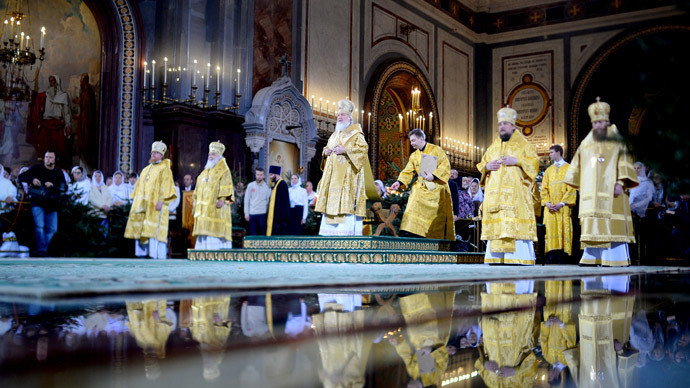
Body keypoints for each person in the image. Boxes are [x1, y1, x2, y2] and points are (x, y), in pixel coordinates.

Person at [564, 97, 638, 266]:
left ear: (607, 121)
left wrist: (620, 182)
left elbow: (624, 162)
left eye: (601, 122)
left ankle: (614, 258)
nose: (598, 125)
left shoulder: (617, 140)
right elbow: (577, 166)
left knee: (611, 224)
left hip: (612, 191)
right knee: (592, 224)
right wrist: (579, 186)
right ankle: (591, 256)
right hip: (590, 194)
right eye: (595, 123)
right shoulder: (586, 143)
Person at [477, 106, 539, 265]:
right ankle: (496, 259)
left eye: (505, 124)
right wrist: (486, 167)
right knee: (497, 231)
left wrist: (517, 161)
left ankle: (518, 259)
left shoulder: (524, 145)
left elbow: (534, 165)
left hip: (515, 199)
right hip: (495, 200)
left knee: (514, 231)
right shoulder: (493, 147)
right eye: (500, 124)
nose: (502, 127)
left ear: (513, 126)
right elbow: (482, 164)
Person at [315, 98, 378, 236]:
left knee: (345, 204)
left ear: (349, 117)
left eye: (342, 115)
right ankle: (329, 233)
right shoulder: (334, 135)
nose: (339, 117)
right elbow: (328, 147)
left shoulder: (356, 134)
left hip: (348, 179)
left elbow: (363, 150)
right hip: (332, 180)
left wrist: (346, 150)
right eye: (338, 115)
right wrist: (325, 152)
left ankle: (345, 233)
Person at [390, 128, 455, 239]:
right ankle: (411, 230)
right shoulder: (414, 155)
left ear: (421, 139)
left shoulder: (436, 150)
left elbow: (445, 166)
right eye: (411, 141)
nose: (412, 143)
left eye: (413, 140)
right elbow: (408, 171)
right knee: (413, 200)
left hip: (435, 186)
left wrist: (433, 175)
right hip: (420, 186)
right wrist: (399, 182)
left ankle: (428, 233)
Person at [124, 141, 177, 259]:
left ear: (162, 155)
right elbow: (139, 187)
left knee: (156, 230)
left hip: (157, 204)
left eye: (157, 153)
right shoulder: (145, 169)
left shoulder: (165, 169)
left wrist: (161, 200)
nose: (153, 154)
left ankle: (158, 255)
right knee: (143, 228)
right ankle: (142, 254)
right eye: (153, 152)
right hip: (143, 205)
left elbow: (166, 186)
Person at [18, 150, 67, 256]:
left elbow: (64, 188)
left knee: (52, 229)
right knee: (39, 226)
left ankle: (45, 249)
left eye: (50, 157)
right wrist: (32, 180)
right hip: (38, 202)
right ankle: (42, 251)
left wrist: (53, 185)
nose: (48, 159)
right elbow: (21, 177)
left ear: (55, 159)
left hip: (52, 204)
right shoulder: (37, 168)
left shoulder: (58, 172)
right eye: (46, 157)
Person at [192, 141, 234, 249]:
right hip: (203, 209)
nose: (210, 156)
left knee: (214, 233)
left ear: (219, 156)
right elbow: (198, 187)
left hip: (217, 206)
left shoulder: (224, 170)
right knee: (204, 231)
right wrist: (195, 199)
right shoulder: (206, 171)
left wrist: (222, 199)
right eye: (209, 154)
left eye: (213, 154)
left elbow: (227, 185)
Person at [541, 145, 577, 264]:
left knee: (563, 229)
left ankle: (563, 255)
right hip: (550, 207)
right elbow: (544, 189)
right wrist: (547, 203)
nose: (549, 155)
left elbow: (571, 188)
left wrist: (562, 203)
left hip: (563, 207)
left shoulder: (569, 168)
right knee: (551, 230)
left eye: (551, 152)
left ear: (558, 152)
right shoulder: (548, 170)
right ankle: (551, 255)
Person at [27, 75, 72, 164]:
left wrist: (68, 125)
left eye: (53, 81)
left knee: (60, 149)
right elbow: (35, 100)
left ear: (57, 82)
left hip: (58, 125)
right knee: (44, 148)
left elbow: (67, 113)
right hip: (46, 125)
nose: (52, 83)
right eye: (50, 81)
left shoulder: (63, 96)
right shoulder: (44, 95)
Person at [71, 73, 98, 168]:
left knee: (85, 138)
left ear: (84, 80)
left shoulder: (87, 89)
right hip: (84, 117)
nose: (80, 82)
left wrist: (78, 102)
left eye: (81, 80)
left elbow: (86, 105)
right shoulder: (85, 89)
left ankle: (85, 157)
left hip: (86, 119)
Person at [244, 168, 272, 235]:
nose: (259, 176)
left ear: (264, 176)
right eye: (258, 174)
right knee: (252, 234)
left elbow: (268, 201)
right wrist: (246, 214)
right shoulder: (250, 185)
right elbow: (246, 200)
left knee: (262, 234)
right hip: (252, 213)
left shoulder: (267, 187)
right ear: (255, 175)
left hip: (262, 213)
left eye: (261, 175)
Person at [266, 165, 290, 236]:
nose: (270, 177)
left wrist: (281, 219)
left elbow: (284, 203)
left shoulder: (282, 184)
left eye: (271, 175)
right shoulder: (276, 184)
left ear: (276, 174)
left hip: (280, 218)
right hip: (275, 216)